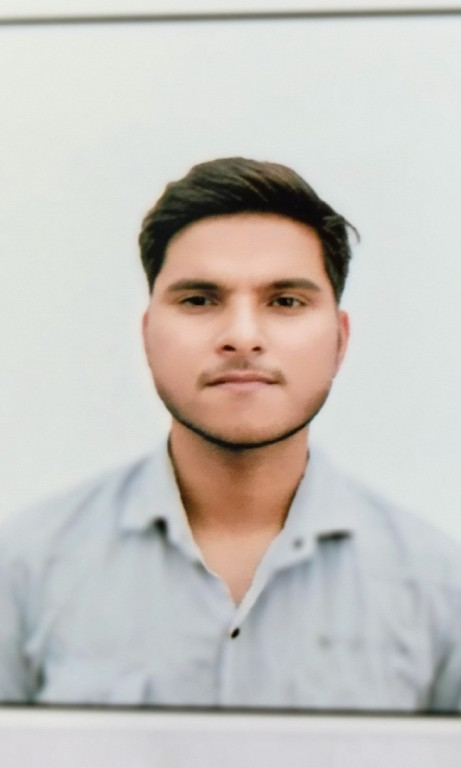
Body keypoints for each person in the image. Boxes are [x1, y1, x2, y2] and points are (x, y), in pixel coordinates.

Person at [1, 157, 460, 711]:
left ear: (339, 341)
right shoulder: (24, 570)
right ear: (148, 336)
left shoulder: (439, 587)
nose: (242, 337)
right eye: (199, 300)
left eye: (285, 301)